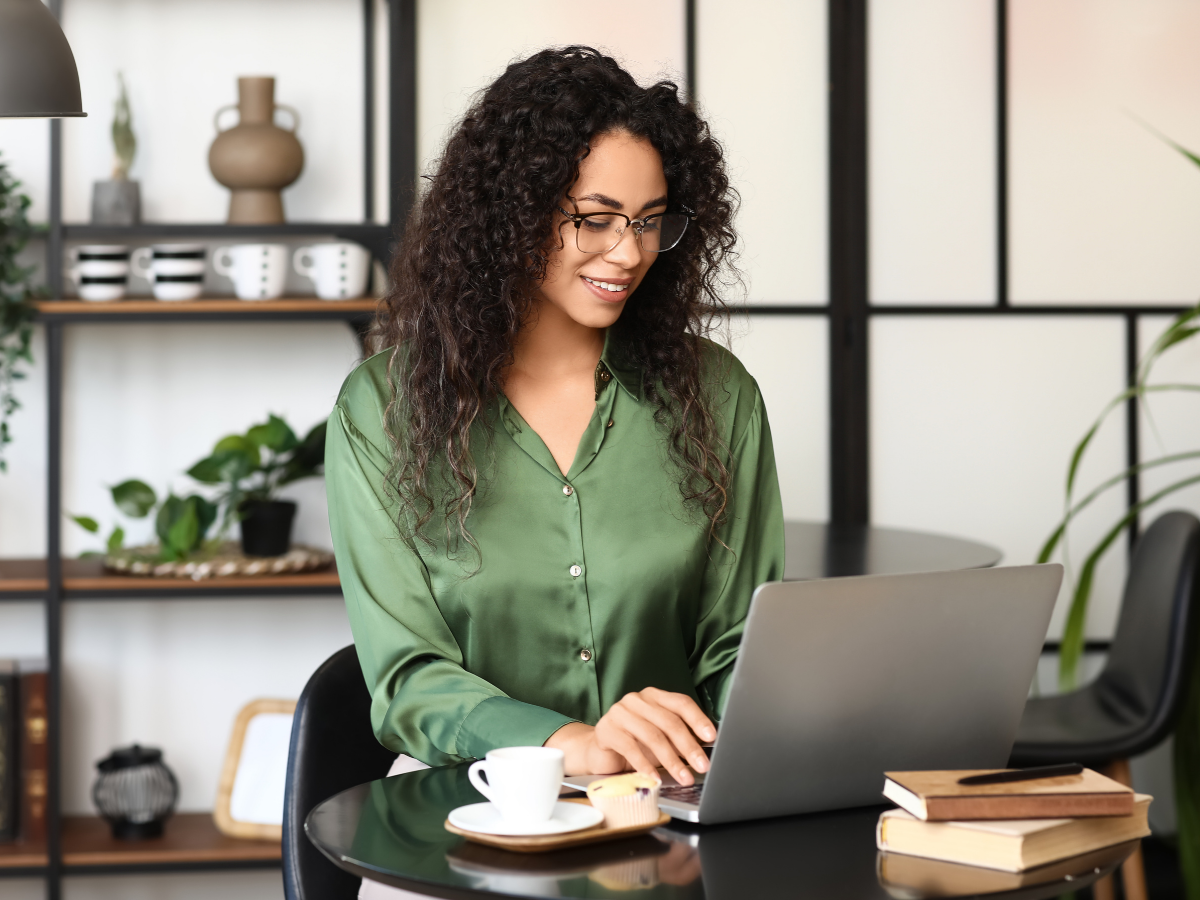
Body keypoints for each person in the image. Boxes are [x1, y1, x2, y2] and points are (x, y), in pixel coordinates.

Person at [326, 45, 784, 808]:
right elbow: (409, 678)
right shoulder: (383, 410)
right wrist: (569, 741)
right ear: (512, 212)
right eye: (596, 219)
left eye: (649, 221)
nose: (629, 251)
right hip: (466, 800)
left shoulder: (717, 395)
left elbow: (743, 645)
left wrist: (707, 740)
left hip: (668, 798)